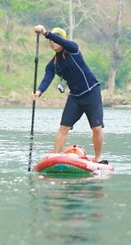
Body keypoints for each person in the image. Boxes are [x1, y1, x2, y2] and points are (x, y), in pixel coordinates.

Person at [31, 25, 107, 164]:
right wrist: (38, 91)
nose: (52, 42)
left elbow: (61, 41)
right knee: (63, 127)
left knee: (96, 127)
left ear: (62, 40)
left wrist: (45, 33)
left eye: (56, 39)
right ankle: (55, 157)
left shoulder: (72, 49)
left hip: (91, 92)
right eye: (51, 40)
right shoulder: (52, 64)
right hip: (75, 96)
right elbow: (47, 79)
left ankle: (98, 159)